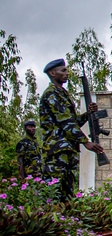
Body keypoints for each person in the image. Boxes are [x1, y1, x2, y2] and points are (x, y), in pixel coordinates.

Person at [38, 58, 104, 202]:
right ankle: (50, 220)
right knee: (53, 191)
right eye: (63, 70)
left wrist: (88, 114)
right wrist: (86, 142)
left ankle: (65, 220)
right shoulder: (51, 94)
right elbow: (65, 122)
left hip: (68, 149)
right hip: (56, 150)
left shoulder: (62, 93)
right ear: (52, 73)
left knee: (67, 192)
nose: (67, 73)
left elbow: (73, 121)